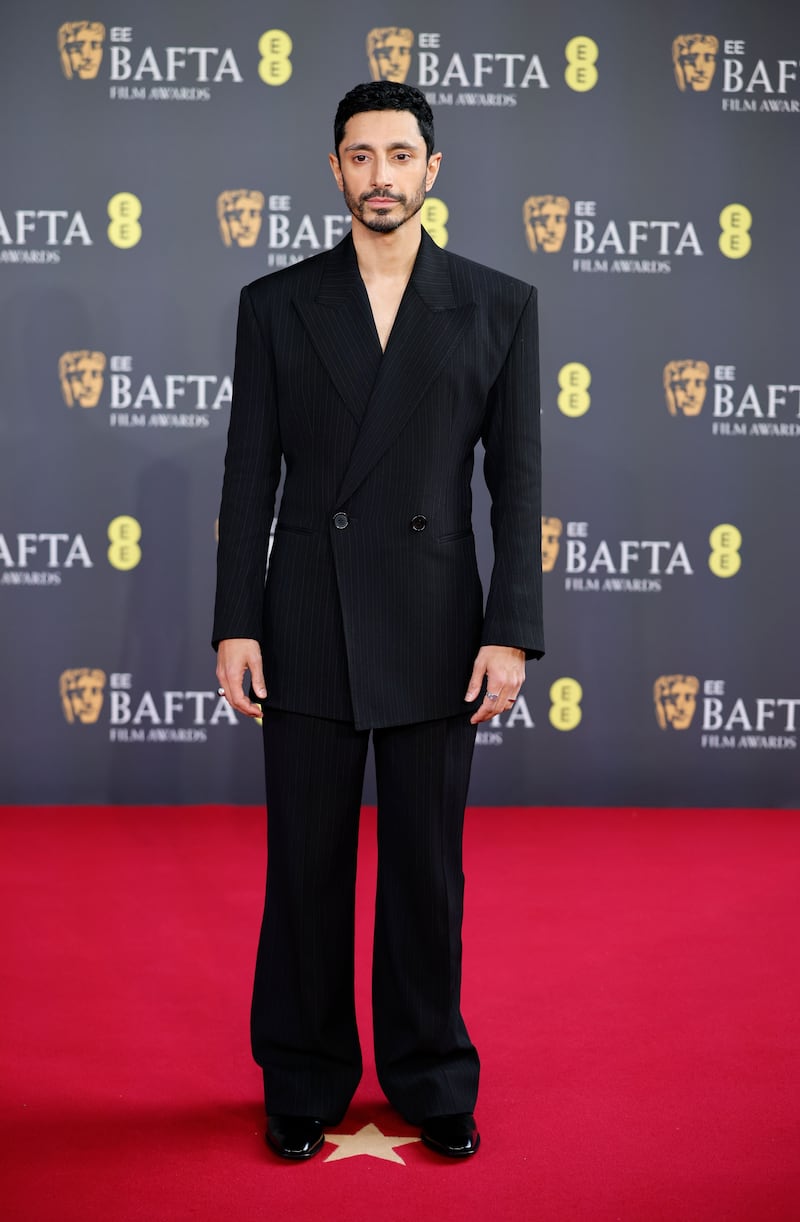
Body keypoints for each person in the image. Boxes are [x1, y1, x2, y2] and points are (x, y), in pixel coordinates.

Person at [213, 80, 544, 1161]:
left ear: (430, 170)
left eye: (399, 155)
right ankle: (302, 1076)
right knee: (302, 868)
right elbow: (247, 475)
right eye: (359, 157)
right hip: (303, 613)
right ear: (335, 170)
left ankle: (430, 1073)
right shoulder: (275, 304)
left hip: (438, 622)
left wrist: (509, 628)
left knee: (423, 867)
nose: (380, 176)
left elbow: (519, 486)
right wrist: (235, 621)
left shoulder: (498, 304)